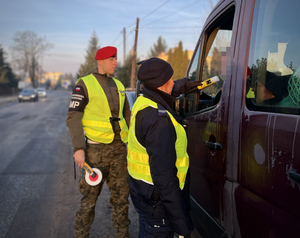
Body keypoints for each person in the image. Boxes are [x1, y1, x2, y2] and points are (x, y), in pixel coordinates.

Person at [127, 57, 198, 238]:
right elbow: (165, 180)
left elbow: (169, 90)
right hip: (158, 202)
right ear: (163, 83)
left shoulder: (144, 101)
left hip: (142, 191)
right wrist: (183, 227)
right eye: (171, 79)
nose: (174, 83)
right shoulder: (159, 121)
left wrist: (188, 85)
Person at [66, 46, 131, 238]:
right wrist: (79, 148)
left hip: (119, 150)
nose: (116, 62)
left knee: (122, 199)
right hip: (95, 152)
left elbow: (127, 115)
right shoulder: (84, 84)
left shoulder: (119, 86)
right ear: (100, 61)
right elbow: (73, 117)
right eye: (112, 59)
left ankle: (123, 235)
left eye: (116, 59)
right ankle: (81, 235)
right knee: (89, 200)